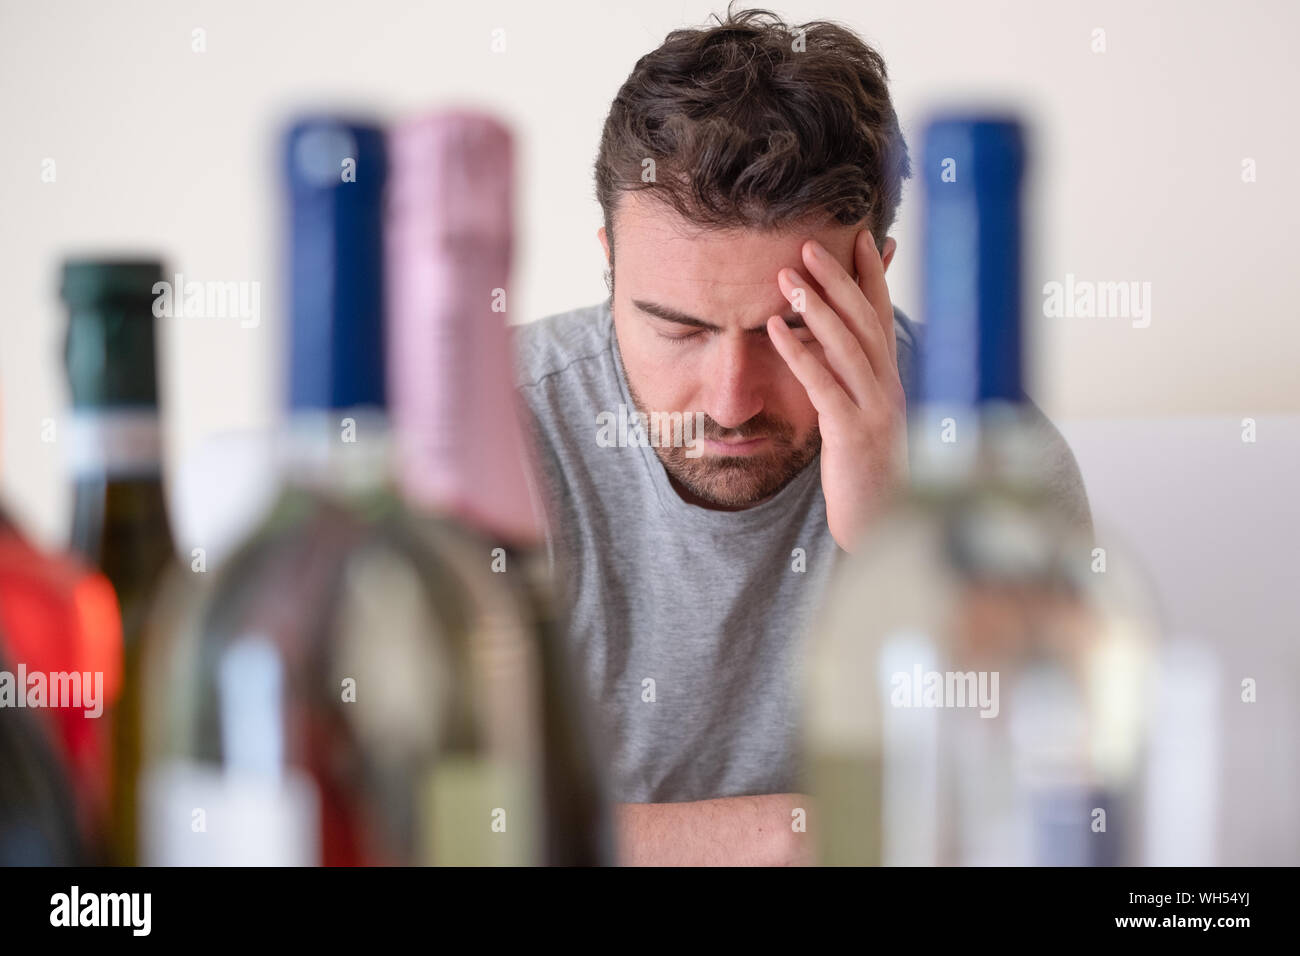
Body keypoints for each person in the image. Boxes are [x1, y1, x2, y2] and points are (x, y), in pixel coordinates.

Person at [514, 4, 1090, 865]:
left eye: (795, 329)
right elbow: (415, 827)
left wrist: (895, 540)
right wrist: (780, 838)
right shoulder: (506, 432)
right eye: (677, 328)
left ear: (875, 277)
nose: (732, 401)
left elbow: (1033, 819)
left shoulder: (996, 469)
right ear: (609, 263)